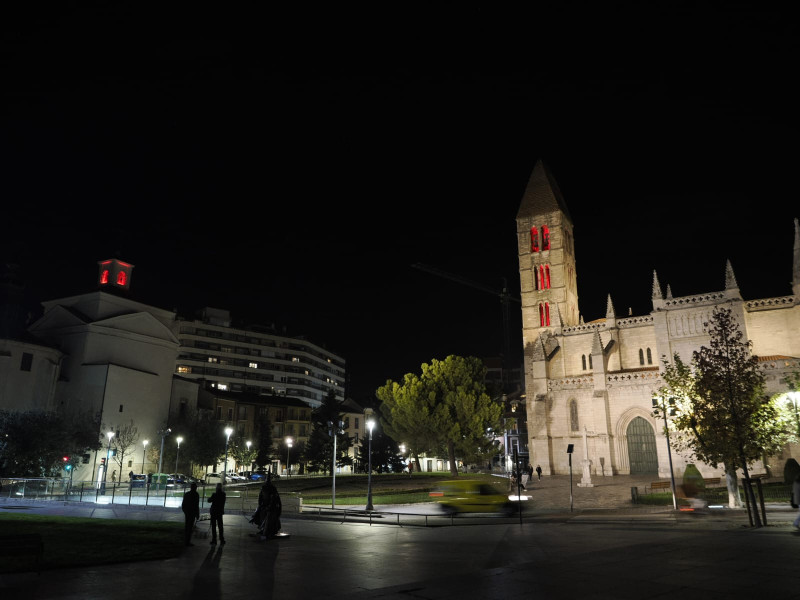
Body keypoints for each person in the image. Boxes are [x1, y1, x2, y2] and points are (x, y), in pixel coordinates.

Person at [181, 482, 200, 546]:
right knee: (190, 527)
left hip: (188, 512)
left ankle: (186, 540)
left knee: (187, 526)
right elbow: (196, 505)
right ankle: (187, 541)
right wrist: (197, 514)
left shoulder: (187, 494)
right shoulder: (196, 495)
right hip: (192, 513)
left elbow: (183, 504)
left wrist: (185, 511)